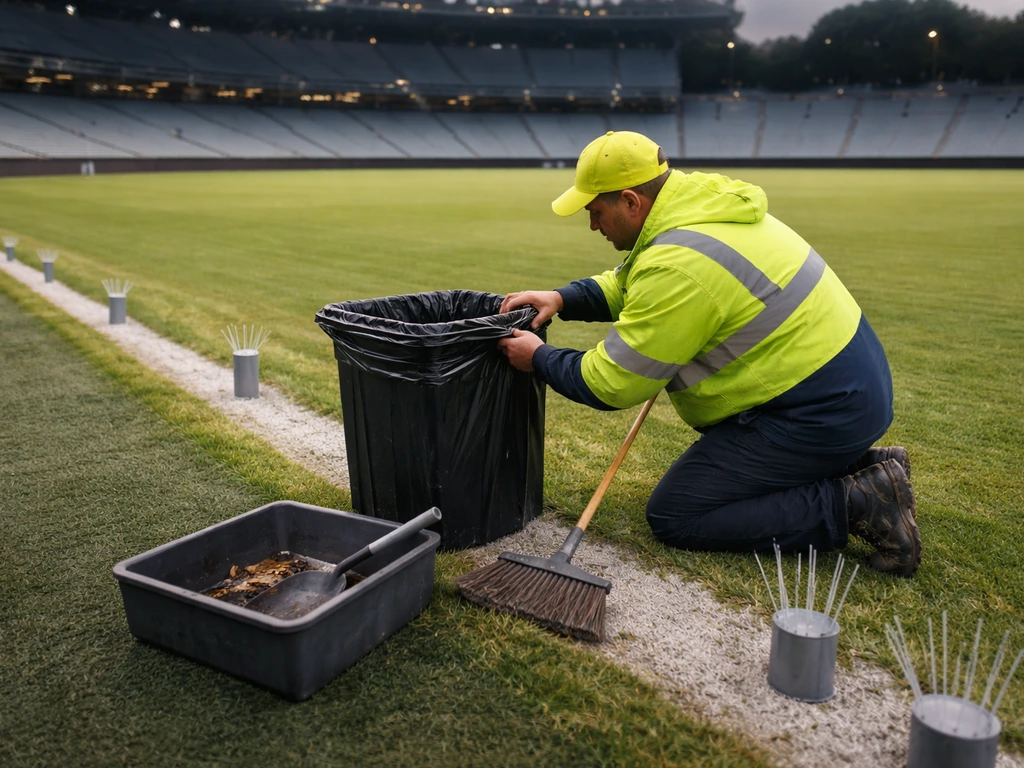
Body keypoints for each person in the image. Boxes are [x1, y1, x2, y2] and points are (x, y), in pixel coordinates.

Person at [497, 131, 922, 576]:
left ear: (630, 201)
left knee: (678, 513)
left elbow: (613, 381)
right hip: (848, 390)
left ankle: (859, 501)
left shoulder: (681, 261)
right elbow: (631, 284)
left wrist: (539, 357)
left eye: (596, 212)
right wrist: (562, 298)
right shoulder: (698, 212)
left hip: (821, 410)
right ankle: (865, 464)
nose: (592, 225)